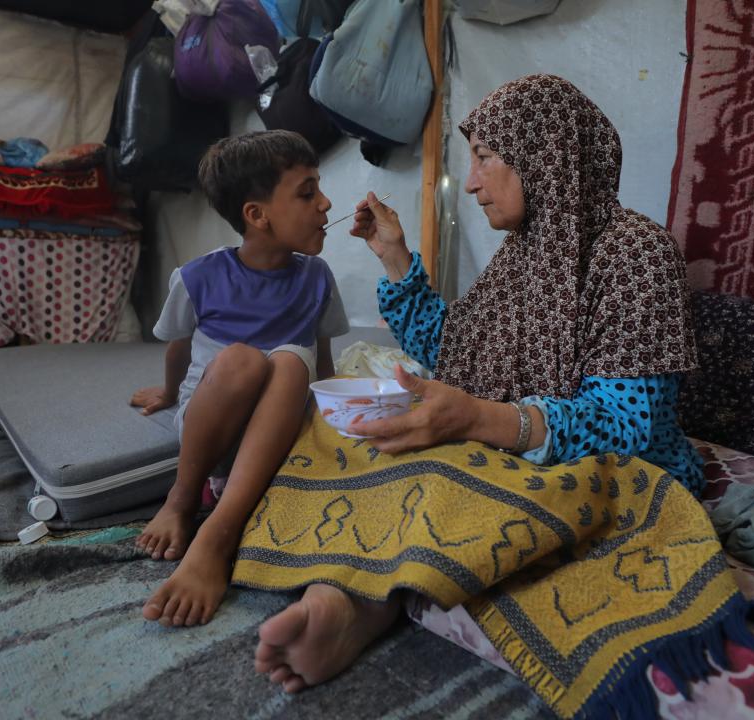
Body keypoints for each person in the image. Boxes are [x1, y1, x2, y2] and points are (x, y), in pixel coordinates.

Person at [251, 74, 708, 693]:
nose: (470, 183)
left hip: (615, 469)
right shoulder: (523, 255)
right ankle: (355, 590)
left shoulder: (635, 254)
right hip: (510, 443)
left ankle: (361, 600)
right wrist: (394, 257)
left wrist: (478, 420)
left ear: (544, 155)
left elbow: (629, 426)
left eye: (485, 157)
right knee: (352, 434)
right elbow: (456, 352)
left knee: (461, 469)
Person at [130, 130, 349, 628]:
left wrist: (340, 422)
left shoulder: (317, 277)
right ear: (257, 215)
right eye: (308, 192)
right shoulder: (197, 277)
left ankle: (217, 534)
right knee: (241, 361)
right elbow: (180, 347)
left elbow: (323, 362)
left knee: (291, 362)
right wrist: (169, 393)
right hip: (213, 431)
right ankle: (183, 497)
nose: (325, 203)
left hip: (280, 432)